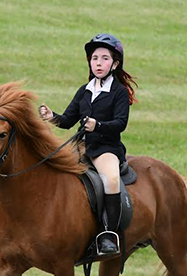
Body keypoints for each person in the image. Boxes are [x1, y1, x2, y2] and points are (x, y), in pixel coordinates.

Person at [39, 33, 137, 255]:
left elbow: (120, 123)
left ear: (115, 64)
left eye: (104, 58)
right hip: (81, 147)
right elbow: (67, 121)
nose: (98, 63)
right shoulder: (84, 90)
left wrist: (98, 125)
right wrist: (50, 116)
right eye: (94, 58)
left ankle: (108, 235)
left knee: (111, 180)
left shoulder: (119, 92)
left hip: (106, 149)